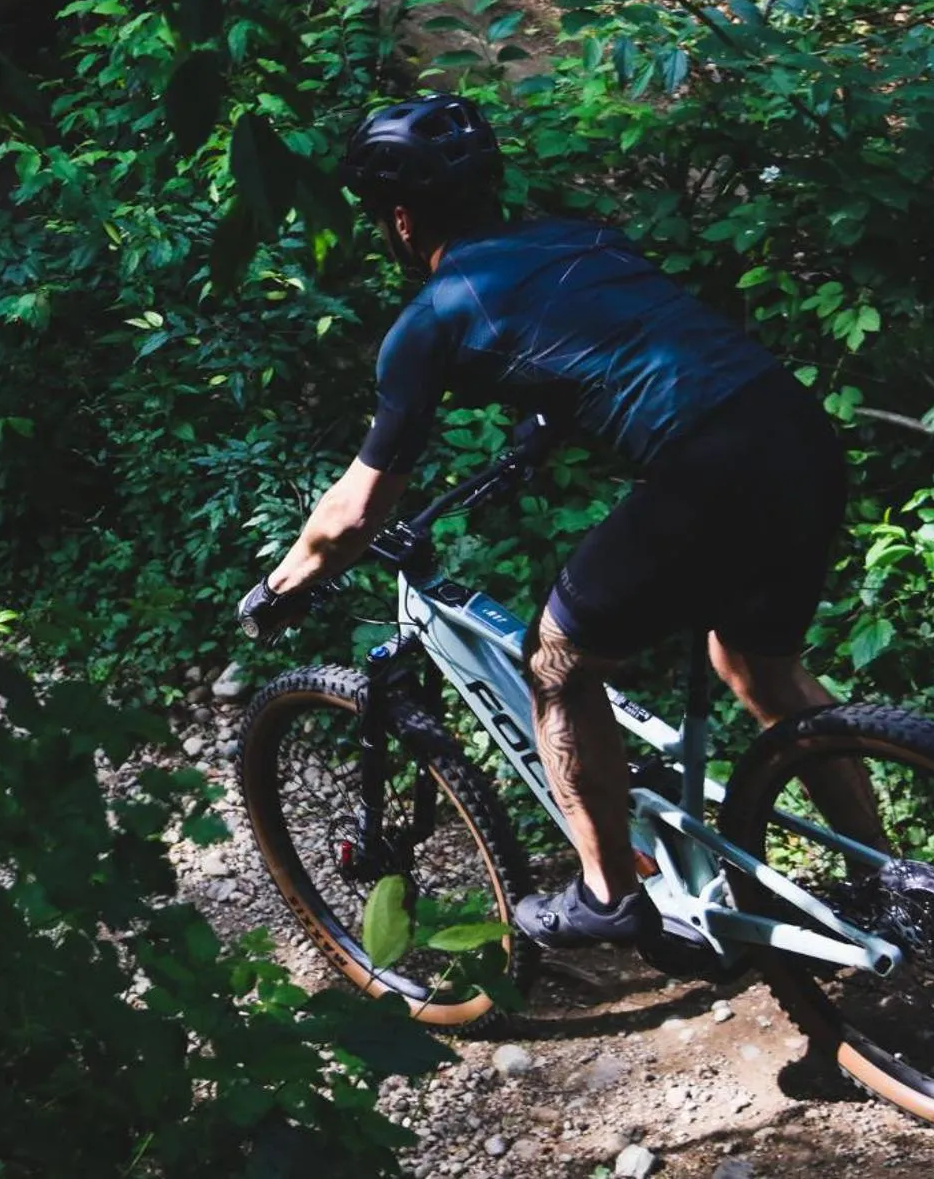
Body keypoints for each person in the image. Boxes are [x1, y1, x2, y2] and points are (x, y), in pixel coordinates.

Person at [237, 93, 881, 948]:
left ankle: (609, 894)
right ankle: (884, 876)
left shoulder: (431, 318)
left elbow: (357, 507)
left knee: (557, 660)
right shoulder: (586, 238)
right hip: (794, 432)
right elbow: (624, 344)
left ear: (398, 217)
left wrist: (281, 585)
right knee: (761, 669)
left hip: (706, 467)